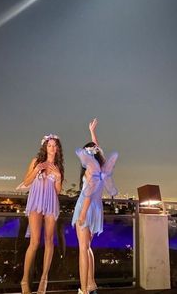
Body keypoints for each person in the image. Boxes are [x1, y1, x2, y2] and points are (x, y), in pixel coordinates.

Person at [72, 119, 118, 294]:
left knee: (82, 249)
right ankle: (91, 284)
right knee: (88, 247)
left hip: (86, 206)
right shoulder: (101, 167)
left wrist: (82, 213)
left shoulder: (91, 169)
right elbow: (97, 148)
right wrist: (92, 132)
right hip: (96, 209)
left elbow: (89, 191)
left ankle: (83, 289)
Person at [18, 134, 64, 294]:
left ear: (57, 149)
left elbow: (57, 191)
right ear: (45, 147)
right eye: (49, 145)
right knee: (35, 242)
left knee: (49, 240)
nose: (51, 148)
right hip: (36, 202)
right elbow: (27, 181)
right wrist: (37, 169)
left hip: (51, 203)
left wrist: (58, 178)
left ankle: (44, 279)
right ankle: (24, 280)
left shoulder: (58, 167)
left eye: (54, 145)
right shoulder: (35, 162)